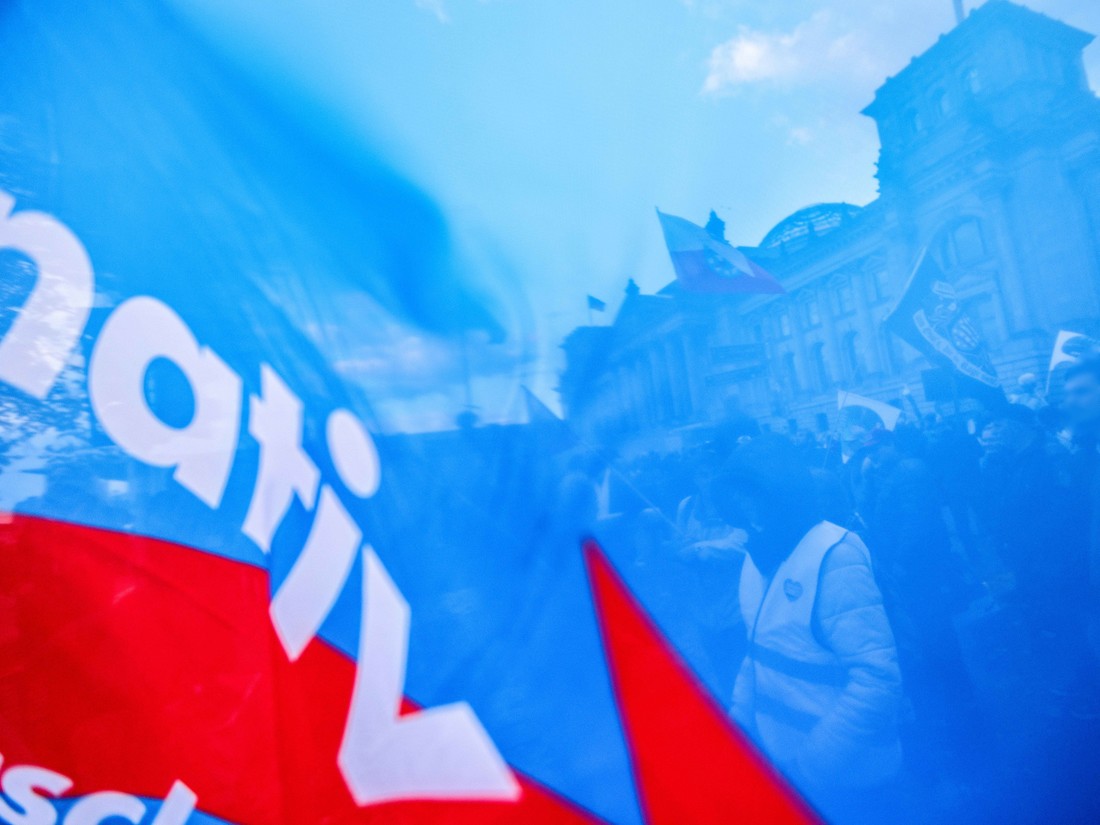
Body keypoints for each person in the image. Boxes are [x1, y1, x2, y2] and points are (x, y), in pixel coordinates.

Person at [711, 441, 902, 822]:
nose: (745, 512)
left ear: (782, 494)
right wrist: (736, 730)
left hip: (852, 780)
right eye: (736, 500)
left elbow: (877, 679)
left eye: (753, 497)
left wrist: (812, 766)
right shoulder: (756, 556)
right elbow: (757, 651)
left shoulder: (834, 554)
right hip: (785, 767)